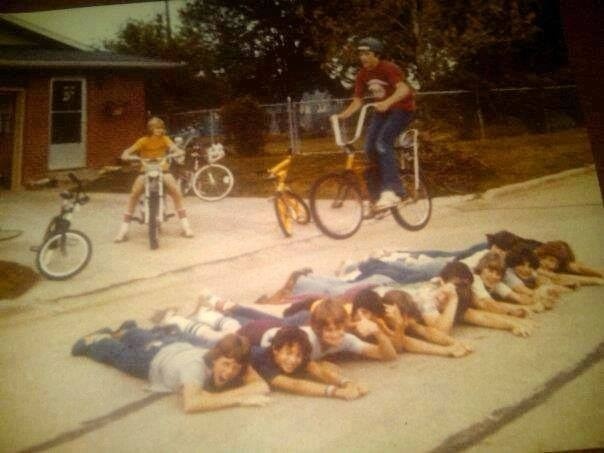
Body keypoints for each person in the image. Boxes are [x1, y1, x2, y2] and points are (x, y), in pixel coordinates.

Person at [71, 323, 269, 413]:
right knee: (119, 356)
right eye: (226, 364)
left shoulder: (233, 354)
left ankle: (128, 330)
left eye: (236, 368)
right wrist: (240, 399)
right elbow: (192, 404)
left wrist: (242, 390)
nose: (229, 372)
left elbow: (262, 387)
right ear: (216, 358)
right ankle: (96, 340)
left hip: (173, 346)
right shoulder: (196, 368)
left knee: (146, 338)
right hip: (150, 361)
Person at [336, 37, 415, 210]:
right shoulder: (362, 74)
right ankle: (378, 195)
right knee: (369, 148)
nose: (363, 57)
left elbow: (404, 89)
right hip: (383, 111)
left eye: (367, 53)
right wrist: (342, 115)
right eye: (360, 54)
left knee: (382, 143)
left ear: (376, 55)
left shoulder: (388, 68)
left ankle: (392, 190)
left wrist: (388, 102)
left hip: (402, 110)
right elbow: (357, 101)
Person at [114, 117, 194, 242]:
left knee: (175, 191)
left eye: (161, 128)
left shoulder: (165, 139)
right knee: (134, 193)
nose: (159, 130)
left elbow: (174, 148)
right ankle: (124, 229)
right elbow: (128, 151)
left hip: (163, 169)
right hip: (145, 170)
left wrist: (178, 151)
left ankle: (185, 226)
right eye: (156, 128)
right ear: (150, 129)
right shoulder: (143, 141)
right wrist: (126, 155)